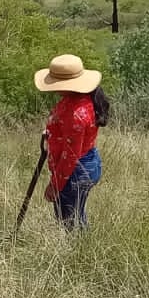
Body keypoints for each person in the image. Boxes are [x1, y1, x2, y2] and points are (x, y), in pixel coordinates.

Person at [35, 54, 107, 232]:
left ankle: (76, 255)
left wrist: (55, 185)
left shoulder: (77, 113)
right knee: (77, 215)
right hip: (86, 164)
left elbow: (71, 156)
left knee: (68, 221)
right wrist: (52, 133)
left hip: (75, 171)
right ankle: (81, 248)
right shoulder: (78, 99)